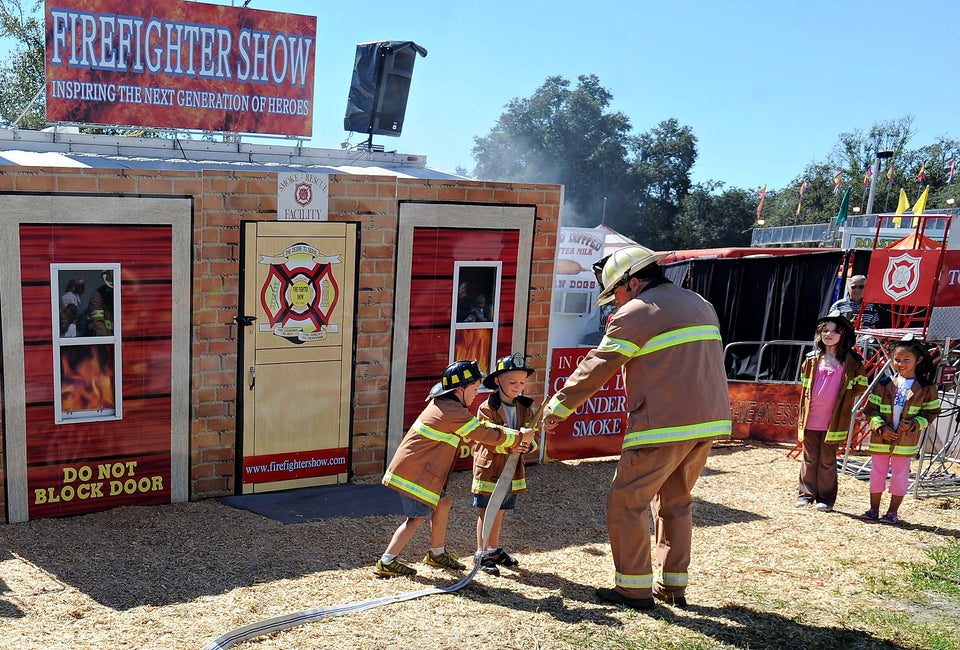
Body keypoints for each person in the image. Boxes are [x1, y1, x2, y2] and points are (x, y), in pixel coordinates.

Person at [541, 245, 731, 611]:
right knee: (675, 501)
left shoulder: (638, 311)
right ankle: (674, 587)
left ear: (633, 282)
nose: (614, 303)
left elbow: (600, 363)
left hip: (661, 424)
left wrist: (560, 405)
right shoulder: (698, 302)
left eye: (615, 293)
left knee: (627, 501)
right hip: (707, 420)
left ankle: (633, 589)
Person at [375, 360, 536, 578]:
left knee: (444, 503)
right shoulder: (452, 412)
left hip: (419, 471)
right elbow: (482, 433)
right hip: (415, 474)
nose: (476, 393)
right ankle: (387, 560)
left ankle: (436, 553)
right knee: (417, 517)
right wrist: (518, 436)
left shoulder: (447, 405)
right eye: (474, 388)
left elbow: (483, 428)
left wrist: (515, 438)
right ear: (460, 390)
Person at [860, 338, 941, 525]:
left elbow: (931, 412)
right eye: (897, 359)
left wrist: (914, 424)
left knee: (900, 475)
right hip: (881, 439)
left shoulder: (926, 388)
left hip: (906, 442)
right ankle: (873, 509)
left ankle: (892, 512)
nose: (900, 364)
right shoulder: (884, 383)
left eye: (906, 360)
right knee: (877, 473)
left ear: (918, 360)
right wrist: (881, 427)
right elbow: (871, 409)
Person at [473, 353, 538, 576]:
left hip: (512, 469)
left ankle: (493, 549)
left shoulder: (525, 407)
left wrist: (527, 446)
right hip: (490, 467)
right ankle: (482, 553)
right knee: (487, 510)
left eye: (522, 382)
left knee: (499, 510)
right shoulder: (486, 408)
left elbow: (533, 438)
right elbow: (486, 437)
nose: (518, 387)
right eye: (512, 382)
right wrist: (512, 444)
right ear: (498, 380)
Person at [795, 316, 868, 512]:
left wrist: (844, 399)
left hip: (834, 420)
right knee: (809, 457)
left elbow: (861, 385)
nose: (829, 334)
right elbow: (805, 385)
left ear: (843, 335)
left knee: (827, 460)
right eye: (825, 330)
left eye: (834, 331)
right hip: (811, 417)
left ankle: (826, 498)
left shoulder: (852, 362)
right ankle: (805, 494)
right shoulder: (811, 359)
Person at [87, 270, 114, 336]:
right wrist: (106, 342)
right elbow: (97, 323)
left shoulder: (127, 295)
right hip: (106, 341)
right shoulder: (97, 297)